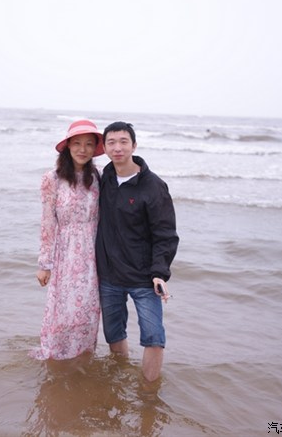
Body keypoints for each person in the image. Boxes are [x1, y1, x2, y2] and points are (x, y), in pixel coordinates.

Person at [95, 121, 179, 382]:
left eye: (123, 141)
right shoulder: (103, 180)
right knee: (113, 333)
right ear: (105, 148)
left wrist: (159, 273)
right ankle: (119, 381)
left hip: (144, 278)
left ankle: (149, 393)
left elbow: (166, 234)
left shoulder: (153, 186)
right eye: (111, 142)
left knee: (154, 336)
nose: (117, 148)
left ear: (134, 145)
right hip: (109, 276)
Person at [30, 119, 104, 360]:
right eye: (77, 143)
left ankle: (82, 358)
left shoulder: (98, 177)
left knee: (87, 310)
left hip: (92, 254)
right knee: (64, 310)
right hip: (64, 252)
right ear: (68, 146)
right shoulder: (52, 179)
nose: (83, 149)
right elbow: (48, 223)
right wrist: (44, 264)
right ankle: (57, 356)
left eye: (89, 144)